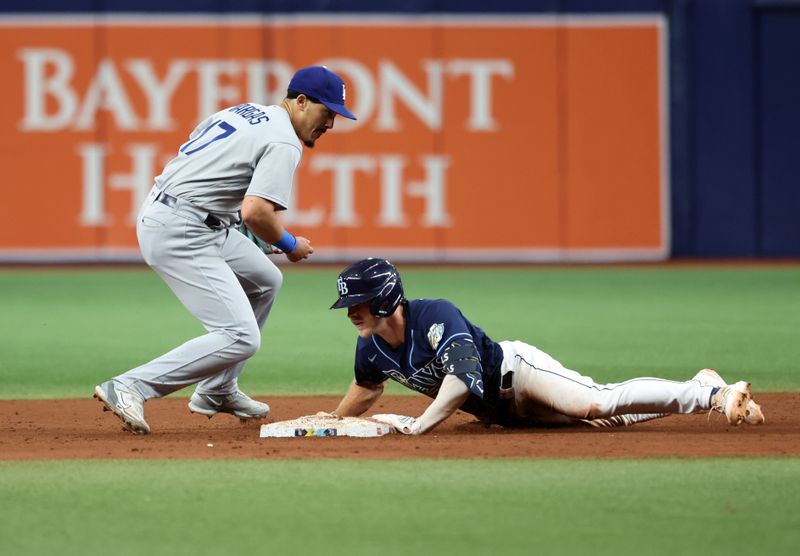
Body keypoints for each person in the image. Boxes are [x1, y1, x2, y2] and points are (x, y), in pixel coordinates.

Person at [94, 66, 357, 434]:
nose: (330, 123)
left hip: (189, 215)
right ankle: (131, 385)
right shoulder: (284, 141)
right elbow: (257, 212)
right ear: (300, 101)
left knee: (266, 279)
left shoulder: (246, 111)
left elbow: (204, 161)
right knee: (241, 336)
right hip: (180, 230)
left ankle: (217, 389)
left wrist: (229, 217)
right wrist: (290, 243)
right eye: (327, 112)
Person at [325, 258, 765, 434]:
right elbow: (368, 388)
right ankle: (698, 385)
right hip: (501, 414)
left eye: (356, 303)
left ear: (383, 297)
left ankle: (716, 394)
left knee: (595, 403)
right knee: (602, 423)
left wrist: (422, 425)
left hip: (519, 373)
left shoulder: (434, 315)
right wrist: (335, 419)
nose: (350, 313)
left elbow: (460, 381)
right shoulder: (370, 347)